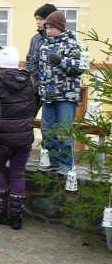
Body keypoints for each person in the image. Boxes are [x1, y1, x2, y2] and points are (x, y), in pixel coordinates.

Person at [0, 47, 35, 230]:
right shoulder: (29, 81)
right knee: (18, 174)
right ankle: (16, 217)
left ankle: (0, 211)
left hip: (2, 136)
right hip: (24, 136)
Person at [38, 11, 83, 175]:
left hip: (66, 96)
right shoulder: (44, 46)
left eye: (51, 28)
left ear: (60, 27)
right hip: (48, 96)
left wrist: (62, 61)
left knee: (64, 131)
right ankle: (54, 162)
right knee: (47, 131)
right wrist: (40, 89)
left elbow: (80, 67)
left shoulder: (72, 44)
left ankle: (66, 165)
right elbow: (41, 71)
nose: (48, 31)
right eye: (47, 28)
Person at [25, 3, 57, 115]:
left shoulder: (56, 39)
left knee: (49, 121)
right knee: (28, 117)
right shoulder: (35, 39)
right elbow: (29, 59)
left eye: (41, 19)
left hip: (50, 88)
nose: (38, 22)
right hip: (33, 87)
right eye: (37, 19)